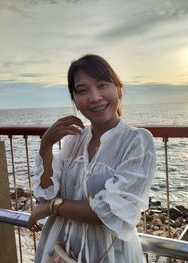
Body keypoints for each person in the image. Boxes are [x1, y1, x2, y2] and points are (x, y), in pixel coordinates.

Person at [28, 54, 156, 263]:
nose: (95, 97)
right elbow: (46, 194)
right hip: (61, 250)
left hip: (111, 254)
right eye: (82, 90)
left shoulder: (137, 141)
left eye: (102, 85)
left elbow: (110, 211)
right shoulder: (74, 140)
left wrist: (53, 208)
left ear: (118, 89)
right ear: (76, 102)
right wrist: (46, 146)